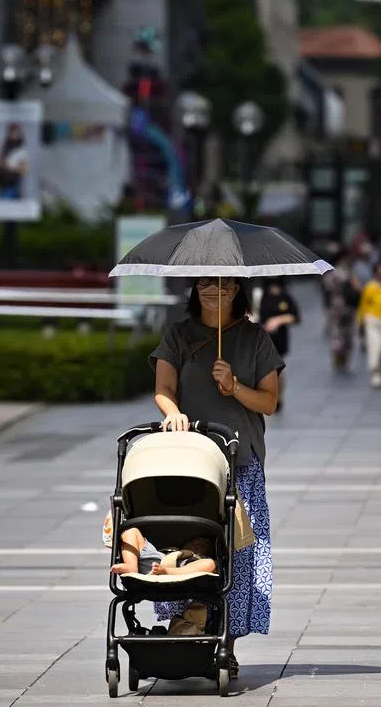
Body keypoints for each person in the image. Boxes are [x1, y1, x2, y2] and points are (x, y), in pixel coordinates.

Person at [149, 277, 283, 679]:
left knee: (239, 551)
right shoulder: (178, 334)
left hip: (241, 459)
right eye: (206, 283)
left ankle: (226, 642)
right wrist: (171, 412)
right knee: (193, 541)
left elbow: (270, 402)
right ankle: (187, 627)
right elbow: (164, 388)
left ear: (238, 289)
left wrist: (235, 386)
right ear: (195, 289)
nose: (214, 290)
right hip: (191, 462)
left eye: (224, 284)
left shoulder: (256, 339)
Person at [258, 277, 299, 413]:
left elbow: (295, 316)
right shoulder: (260, 294)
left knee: (277, 371)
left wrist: (279, 320)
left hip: (279, 339)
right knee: (265, 371)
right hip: (261, 338)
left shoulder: (285, 295)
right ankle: (269, 396)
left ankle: (277, 397)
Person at [110, 527, 217, 577]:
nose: (196, 544)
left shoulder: (193, 559)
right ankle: (131, 565)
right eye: (195, 543)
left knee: (209, 564)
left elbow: (206, 564)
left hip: (180, 569)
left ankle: (165, 572)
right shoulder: (171, 551)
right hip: (156, 559)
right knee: (131, 531)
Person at [322, 253, 361, 373]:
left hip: (335, 308)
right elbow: (357, 290)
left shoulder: (329, 276)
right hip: (348, 308)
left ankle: (337, 358)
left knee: (337, 333)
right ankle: (345, 359)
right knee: (348, 333)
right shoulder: (348, 274)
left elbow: (326, 292)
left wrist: (327, 307)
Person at [0, 122, 28, 199]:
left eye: (16, 132)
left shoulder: (21, 149)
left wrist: (11, 166)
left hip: (13, 186)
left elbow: (25, 171)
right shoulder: (5, 146)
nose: (13, 135)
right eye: (12, 132)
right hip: (4, 186)